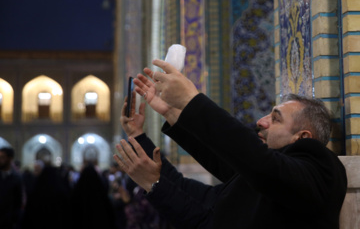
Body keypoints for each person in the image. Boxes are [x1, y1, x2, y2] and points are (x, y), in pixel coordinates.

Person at [114, 59, 347, 229]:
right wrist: (152, 127)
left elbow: (257, 160)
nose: (261, 122)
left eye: (275, 118)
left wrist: (192, 101)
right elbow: (190, 194)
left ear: (303, 138)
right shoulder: (262, 182)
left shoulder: (321, 169)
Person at [0, 147, 23, 229]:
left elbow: (18, 202)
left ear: (10, 159)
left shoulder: (16, 178)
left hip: (8, 222)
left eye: (2, 157)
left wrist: (14, 220)